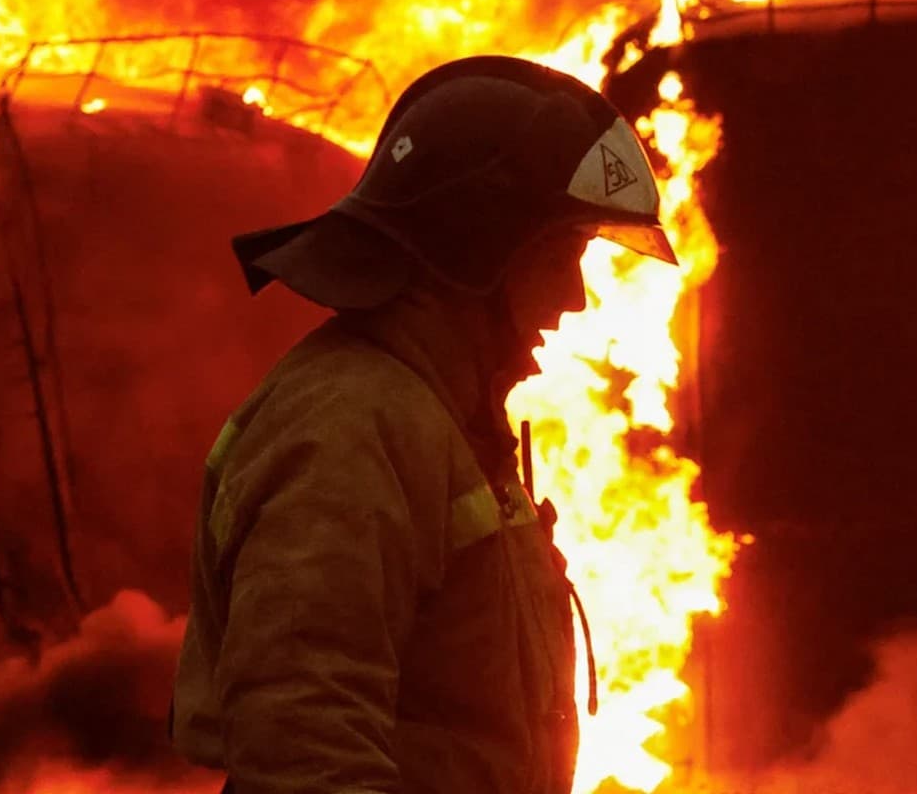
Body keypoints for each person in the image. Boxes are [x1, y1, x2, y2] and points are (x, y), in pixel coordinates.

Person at [171, 55, 677, 794]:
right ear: (477, 248)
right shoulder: (349, 426)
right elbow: (307, 749)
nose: (576, 299)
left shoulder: (440, 418)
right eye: (562, 255)